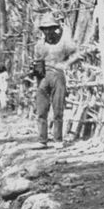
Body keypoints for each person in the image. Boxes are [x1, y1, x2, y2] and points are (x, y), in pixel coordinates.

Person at [33, 12, 79, 148]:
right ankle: (42, 140)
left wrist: (65, 64)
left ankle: (58, 139)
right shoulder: (39, 45)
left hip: (58, 76)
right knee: (41, 110)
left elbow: (77, 53)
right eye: (45, 29)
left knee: (58, 109)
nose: (48, 31)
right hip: (43, 78)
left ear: (55, 28)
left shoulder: (64, 42)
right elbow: (36, 62)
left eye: (51, 28)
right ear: (42, 30)